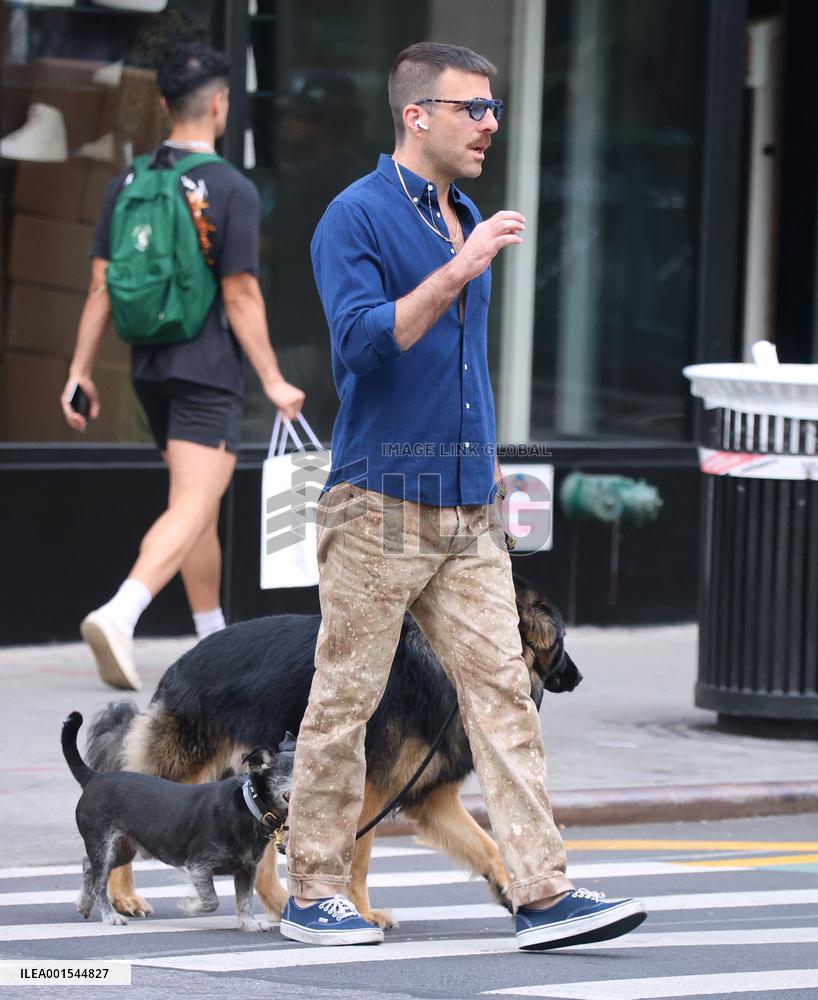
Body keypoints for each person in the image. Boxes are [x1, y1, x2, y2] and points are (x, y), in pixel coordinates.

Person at [279, 42, 647, 951]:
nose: (489, 124)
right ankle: (311, 892)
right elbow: (365, 347)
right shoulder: (355, 216)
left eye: (492, 109)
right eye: (472, 109)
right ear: (417, 115)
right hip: (378, 506)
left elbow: (464, 369)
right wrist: (461, 266)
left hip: (465, 509)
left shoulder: (463, 210)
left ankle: (542, 891)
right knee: (345, 704)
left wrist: (487, 473)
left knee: (504, 698)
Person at [61, 44, 304, 692]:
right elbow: (240, 294)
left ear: (165, 104)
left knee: (190, 505)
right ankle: (122, 612)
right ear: (221, 105)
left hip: (149, 367)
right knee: (197, 503)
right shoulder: (231, 188)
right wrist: (275, 380)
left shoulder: (129, 181)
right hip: (207, 370)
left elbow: (100, 289)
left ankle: (212, 637)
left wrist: (79, 371)